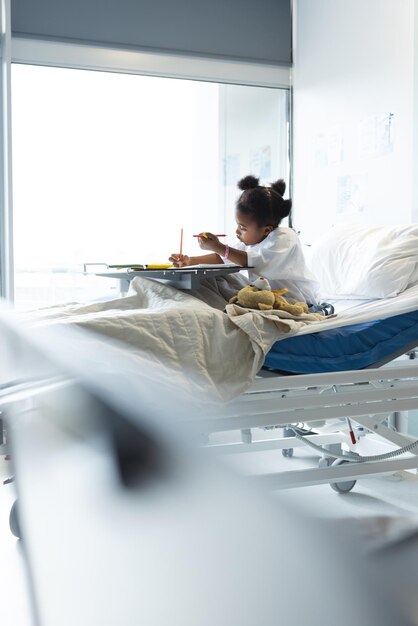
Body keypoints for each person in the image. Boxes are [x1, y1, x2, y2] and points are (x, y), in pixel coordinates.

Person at [169, 175, 321, 305]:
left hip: (298, 301)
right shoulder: (251, 241)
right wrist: (189, 261)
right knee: (212, 281)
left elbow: (257, 262)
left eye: (242, 227)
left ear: (266, 229)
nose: (237, 231)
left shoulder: (285, 238)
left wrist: (219, 247)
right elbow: (224, 258)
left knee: (221, 285)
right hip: (269, 297)